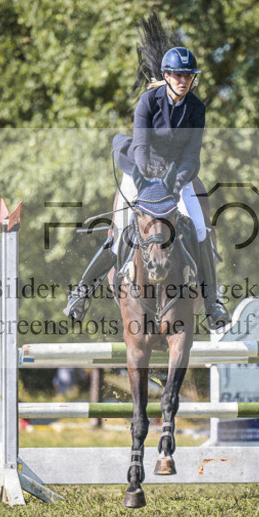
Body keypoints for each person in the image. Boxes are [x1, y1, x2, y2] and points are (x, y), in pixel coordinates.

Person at [63, 46, 231, 329]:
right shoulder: (148, 101)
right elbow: (140, 147)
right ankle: (81, 292)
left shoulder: (196, 109)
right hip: (140, 173)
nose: (183, 81)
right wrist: (147, 183)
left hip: (177, 177)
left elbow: (192, 156)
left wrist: (175, 184)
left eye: (188, 76)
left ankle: (213, 303)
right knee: (119, 233)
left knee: (201, 229)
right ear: (166, 76)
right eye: (178, 75)